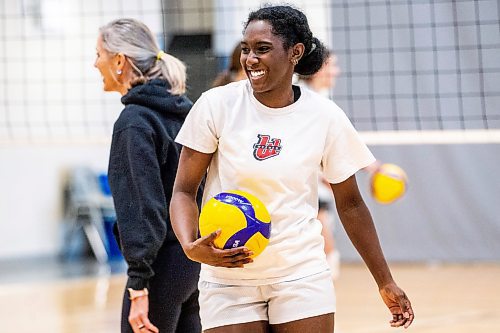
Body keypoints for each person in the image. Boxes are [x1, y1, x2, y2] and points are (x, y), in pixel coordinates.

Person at [170, 5, 414, 333]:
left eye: (263, 49)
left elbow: (351, 204)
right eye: (246, 49)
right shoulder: (216, 105)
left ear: (295, 52)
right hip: (228, 277)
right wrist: (190, 245)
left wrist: (385, 281)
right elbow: (184, 190)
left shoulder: (325, 115)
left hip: (300, 273)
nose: (250, 59)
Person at [94, 18, 202, 333]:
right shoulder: (183, 112)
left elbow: (142, 208)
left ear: (118, 62)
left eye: (98, 54)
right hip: (190, 262)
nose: (94, 63)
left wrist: (138, 281)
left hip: (159, 269)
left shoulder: (134, 122)